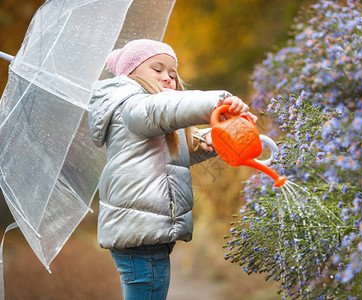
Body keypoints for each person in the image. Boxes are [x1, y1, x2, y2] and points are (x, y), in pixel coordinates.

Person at [88, 39, 257, 300]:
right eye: (157, 69)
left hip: (143, 233)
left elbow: (171, 156)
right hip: (141, 236)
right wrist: (217, 103)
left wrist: (208, 140)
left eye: (172, 73)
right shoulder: (131, 106)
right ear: (131, 73)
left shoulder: (145, 116)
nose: (167, 77)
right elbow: (162, 110)